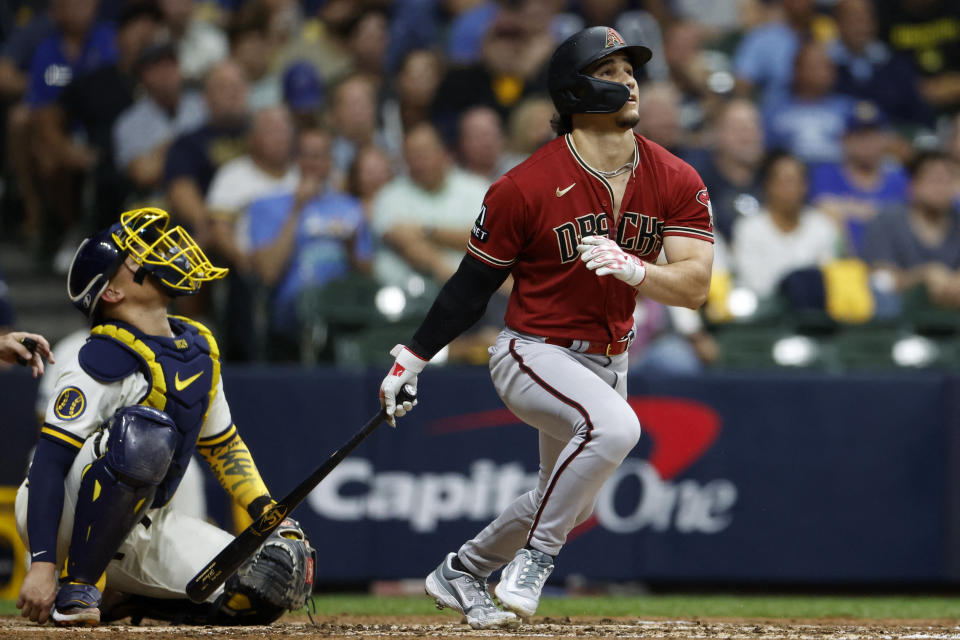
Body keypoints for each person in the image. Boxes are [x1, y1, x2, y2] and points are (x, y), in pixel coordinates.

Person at [378, 27, 714, 628]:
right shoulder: (524, 185)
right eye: (608, 72)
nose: (628, 80)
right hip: (533, 350)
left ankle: (462, 569)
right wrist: (413, 358)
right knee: (616, 430)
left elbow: (694, 286)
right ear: (573, 91)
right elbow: (469, 287)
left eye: (629, 70)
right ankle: (536, 559)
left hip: (612, 357)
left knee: (561, 496)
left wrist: (636, 269)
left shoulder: (676, 177)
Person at [14, 207, 315, 627]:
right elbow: (48, 462)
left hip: (139, 526)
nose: (155, 254)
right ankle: (78, 584)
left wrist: (267, 514)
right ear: (113, 293)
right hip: (62, 515)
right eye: (135, 257)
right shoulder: (101, 355)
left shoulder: (197, 350)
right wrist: (43, 562)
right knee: (144, 436)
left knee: (261, 583)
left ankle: (129, 598)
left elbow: (223, 445)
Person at [248, 127, 372, 356]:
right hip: (293, 308)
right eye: (307, 155)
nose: (314, 163)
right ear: (296, 159)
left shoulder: (352, 207)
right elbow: (268, 272)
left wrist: (351, 248)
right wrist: (296, 208)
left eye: (321, 156)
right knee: (310, 299)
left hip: (346, 303)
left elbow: (367, 274)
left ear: (331, 161)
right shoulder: (266, 205)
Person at [731, 152, 841, 299]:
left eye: (796, 182)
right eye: (784, 182)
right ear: (768, 185)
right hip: (765, 313)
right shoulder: (748, 229)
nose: (790, 189)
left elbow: (829, 278)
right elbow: (753, 282)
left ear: (805, 187)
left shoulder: (822, 226)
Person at [809, 102, 909, 257]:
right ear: (845, 140)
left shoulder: (899, 178)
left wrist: (848, 209)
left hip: (891, 263)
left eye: (874, 135)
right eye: (860, 135)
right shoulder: (825, 174)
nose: (868, 143)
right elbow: (822, 213)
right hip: (841, 263)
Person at [863, 151, 960, 308]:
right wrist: (923, 276)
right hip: (897, 315)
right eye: (935, 180)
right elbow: (880, 280)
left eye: (948, 180)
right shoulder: (887, 221)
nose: (942, 188)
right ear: (913, 186)